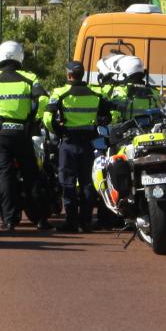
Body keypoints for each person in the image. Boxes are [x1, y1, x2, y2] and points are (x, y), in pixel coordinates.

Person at [0, 40, 49, 231]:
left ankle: (9, 221)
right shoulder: (29, 77)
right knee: (31, 174)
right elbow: (43, 99)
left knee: (4, 176)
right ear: (19, 57)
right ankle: (40, 219)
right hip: (21, 133)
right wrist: (35, 119)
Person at [46, 60, 115, 232]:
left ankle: (71, 221)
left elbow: (47, 118)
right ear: (82, 74)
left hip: (69, 142)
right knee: (88, 183)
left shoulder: (60, 93)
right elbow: (110, 114)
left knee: (67, 183)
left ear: (68, 74)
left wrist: (59, 130)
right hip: (89, 144)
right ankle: (85, 222)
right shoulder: (95, 93)